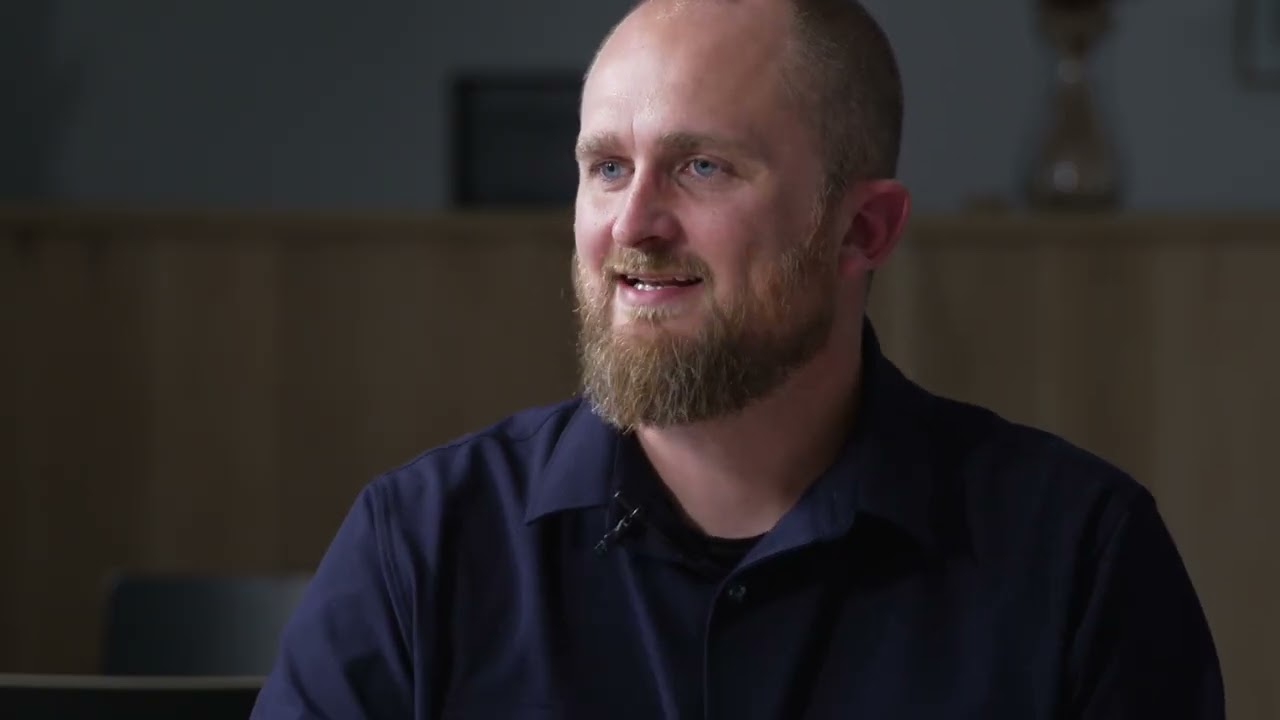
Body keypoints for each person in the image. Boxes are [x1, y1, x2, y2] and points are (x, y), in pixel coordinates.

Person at [251, 0, 1224, 717]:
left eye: (701, 167)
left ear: (863, 230)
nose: (632, 224)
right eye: (607, 168)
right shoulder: (418, 548)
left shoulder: (1079, 559)